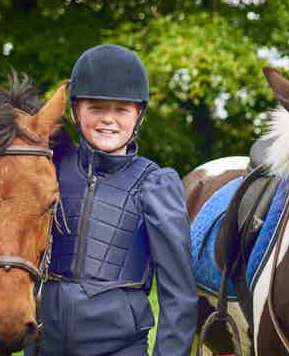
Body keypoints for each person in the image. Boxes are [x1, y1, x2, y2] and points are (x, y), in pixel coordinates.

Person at [29, 44, 198, 355]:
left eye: (121, 110)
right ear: (74, 111)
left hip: (119, 348)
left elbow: (179, 296)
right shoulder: (49, 171)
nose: (108, 119)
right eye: (96, 108)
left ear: (139, 116)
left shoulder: (155, 184)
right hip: (45, 345)